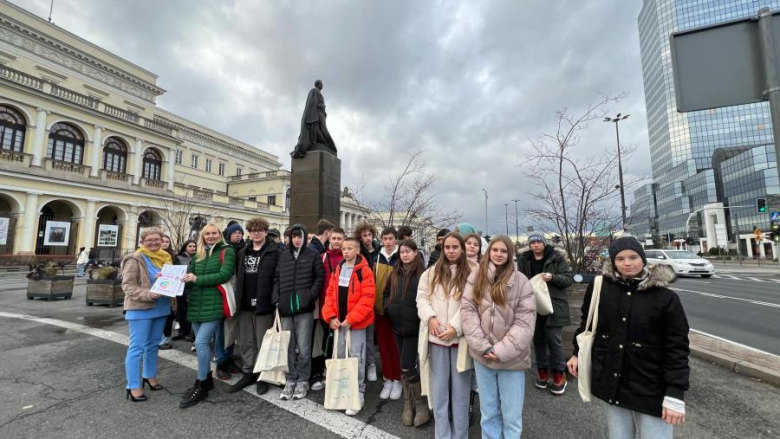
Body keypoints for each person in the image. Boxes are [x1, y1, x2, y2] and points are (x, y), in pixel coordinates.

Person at [568, 238, 690, 439]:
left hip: (651, 383)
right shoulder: (601, 288)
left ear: (642, 259)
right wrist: (576, 353)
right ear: (613, 262)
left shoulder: (665, 297)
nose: (627, 263)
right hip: (614, 378)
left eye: (633, 257)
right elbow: (588, 324)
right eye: (620, 258)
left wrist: (675, 392)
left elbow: (677, 347)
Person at [461, 235, 536, 438]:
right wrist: (483, 346)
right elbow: (467, 312)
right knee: (489, 413)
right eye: (495, 250)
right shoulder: (476, 277)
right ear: (489, 252)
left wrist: (500, 350)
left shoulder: (521, 282)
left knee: (511, 416)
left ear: (510, 254)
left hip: (512, 360)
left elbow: (525, 323)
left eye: (504, 251)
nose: (499, 254)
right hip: (482, 356)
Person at [417, 232, 473, 439]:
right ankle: (442, 434)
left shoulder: (472, 273)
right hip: (437, 338)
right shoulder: (431, 273)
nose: (450, 251)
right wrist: (430, 318)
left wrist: (455, 328)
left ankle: (460, 435)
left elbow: (472, 304)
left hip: (460, 341)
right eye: (447, 247)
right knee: (439, 391)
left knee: (460, 394)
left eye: (455, 247)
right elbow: (421, 298)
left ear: (462, 249)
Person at [179, 224, 236, 409]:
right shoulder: (198, 255)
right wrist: (171, 280)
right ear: (202, 236)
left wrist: (197, 280)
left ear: (220, 235)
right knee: (200, 343)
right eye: (207, 234)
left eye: (214, 233)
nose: (210, 236)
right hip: (196, 304)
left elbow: (224, 275)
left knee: (201, 343)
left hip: (215, 304)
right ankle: (207, 380)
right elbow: (189, 278)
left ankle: (201, 382)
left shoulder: (227, 251)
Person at [322, 237, 375, 415]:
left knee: (356, 359)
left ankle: (358, 391)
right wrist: (329, 316)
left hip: (355, 324)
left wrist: (352, 318)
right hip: (339, 323)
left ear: (357, 250)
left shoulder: (364, 271)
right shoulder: (339, 268)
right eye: (344, 248)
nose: (346, 251)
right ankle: (342, 390)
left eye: (350, 248)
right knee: (340, 356)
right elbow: (330, 294)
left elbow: (368, 299)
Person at [273, 224, 325, 401]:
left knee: (303, 347)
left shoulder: (313, 254)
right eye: (293, 236)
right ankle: (291, 378)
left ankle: (303, 379)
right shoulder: (284, 256)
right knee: (288, 345)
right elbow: (277, 278)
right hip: (286, 307)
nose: (296, 239)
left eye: (299, 236)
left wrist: (310, 296)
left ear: (304, 237)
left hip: (304, 308)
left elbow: (319, 277)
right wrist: (277, 298)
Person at [516, 234, 574, 395]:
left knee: (554, 340)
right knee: (538, 340)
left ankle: (559, 375)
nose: (536, 245)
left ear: (543, 243)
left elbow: (568, 280)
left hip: (554, 306)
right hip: (532, 305)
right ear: (529, 245)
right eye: (532, 242)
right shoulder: (524, 260)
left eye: (538, 242)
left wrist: (553, 277)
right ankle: (542, 372)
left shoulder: (556, 258)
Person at [121, 228, 173, 402]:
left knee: (152, 345)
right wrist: (148, 294)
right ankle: (133, 385)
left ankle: (149, 376)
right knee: (137, 347)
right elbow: (128, 286)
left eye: (157, 239)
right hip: (141, 308)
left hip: (162, 307)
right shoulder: (135, 259)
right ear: (142, 242)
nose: (153, 242)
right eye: (149, 239)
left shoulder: (165, 258)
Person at [230, 217, 280, 395]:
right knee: (246, 340)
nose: (256, 233)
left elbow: (277, 278)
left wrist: (274, 300)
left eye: (260, 230)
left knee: (263, 341)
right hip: (244, 302)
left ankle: (262, 375)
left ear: (266, 232)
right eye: (253, 231)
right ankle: (248, 371)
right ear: (249, 233)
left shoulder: (275, 252)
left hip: (264, 303)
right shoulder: (243, 252)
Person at [384, 239, 430, 427]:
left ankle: (420, 404)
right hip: (397, 325)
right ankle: (408, 404)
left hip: (414, 327)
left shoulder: (423, 274)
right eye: (402, 251)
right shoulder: (395, 272)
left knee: (407, 366)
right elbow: (386, 293)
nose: (404, 255)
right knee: (406, 366)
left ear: (415, 253)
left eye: (408, 251)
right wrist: (388, 308)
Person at [311, 227, 346, 391]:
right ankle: (327, 368)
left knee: (344, 340)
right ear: (329, 239)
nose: (337, 241)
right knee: (328, 338)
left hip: (345, 307)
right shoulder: (322, 257)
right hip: (327, 306)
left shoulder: (348, 258)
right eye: (334, 238)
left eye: (340, 238)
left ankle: (343, 370)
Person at [372, 227, 403, 400]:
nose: (388, 241)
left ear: (396, 240)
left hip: (396, 310)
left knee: (395, 346)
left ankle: (397, 379)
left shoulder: (402, 257)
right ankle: (388, 378)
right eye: (385, 238)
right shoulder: (377, 257)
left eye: (391, 238)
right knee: (383, 346)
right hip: (380, 310)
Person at [355, 220, 381, 381]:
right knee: (366, 334)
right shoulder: (359, 253)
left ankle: (371, 364)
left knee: (372, 335)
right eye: (364, 235)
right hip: (363, 296)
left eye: (369, 235)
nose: (367, 238)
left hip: (378, 293)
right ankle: (366, 364)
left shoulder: (379, 251)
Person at [172, 240, 197, 343]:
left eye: (194, 246)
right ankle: (182, 333)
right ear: (185, 247)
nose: (192, 248)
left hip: (193, 287)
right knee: (181, 311)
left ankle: (190, 334)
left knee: (191, 311)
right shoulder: (178, 258)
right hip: (181, 287)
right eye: (190, 246)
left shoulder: (198, 257)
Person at [159, 235, 177, 350]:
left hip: (170, 290)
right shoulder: (153, 256)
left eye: (167, 242)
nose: (165, 244)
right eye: (163, 241)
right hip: (158, 289)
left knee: (169, 316)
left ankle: (165, 339)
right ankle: (159, 340)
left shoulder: (172, 257)